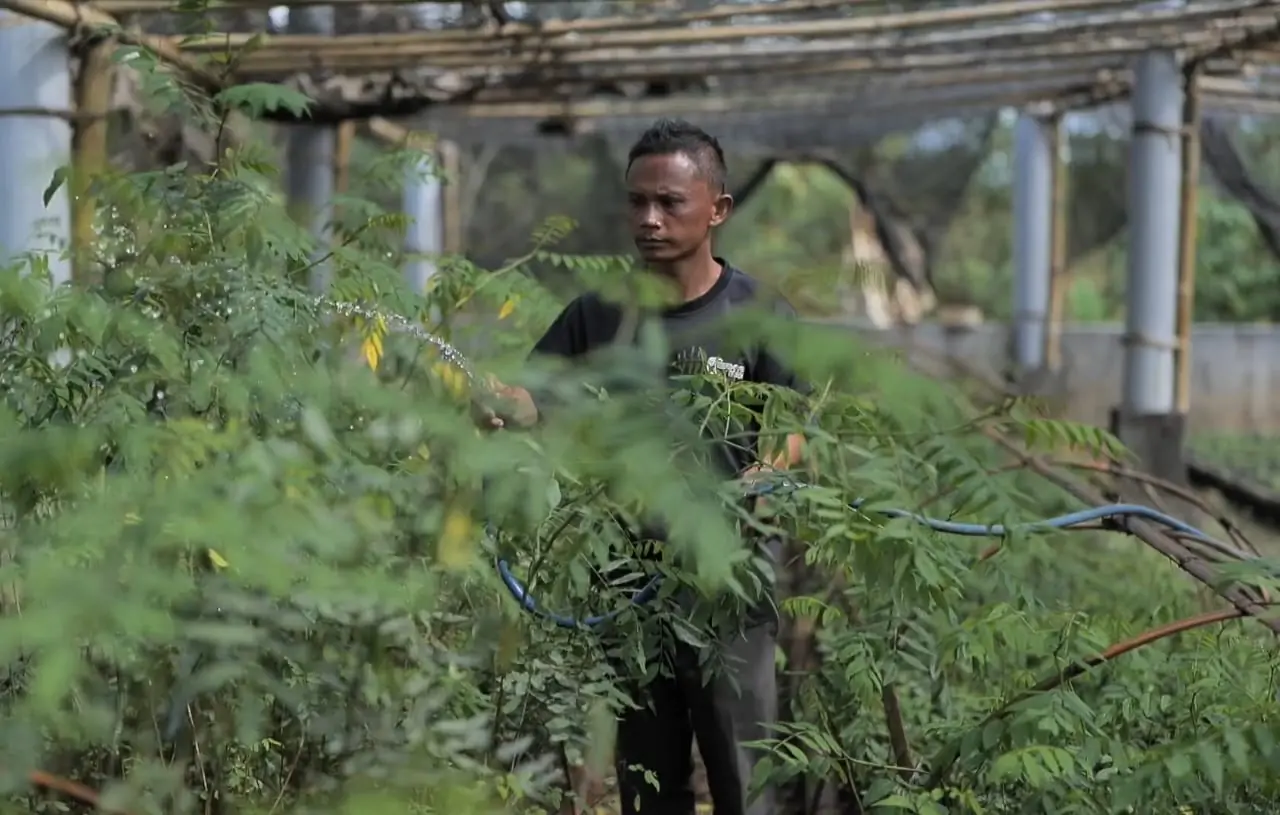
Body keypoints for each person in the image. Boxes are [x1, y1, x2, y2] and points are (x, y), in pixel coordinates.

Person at [474, 118, 806, 815]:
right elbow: (539, 392)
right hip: (627, 582)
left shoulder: (756, 315)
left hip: (727, 582)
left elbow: (793, 429)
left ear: (718, 209)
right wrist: (507, 404)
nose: (648, 218)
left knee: (746, 777)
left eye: (669, 202)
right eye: (636, 202)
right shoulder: (598, 315)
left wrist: (763, 481)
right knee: (649, 783)